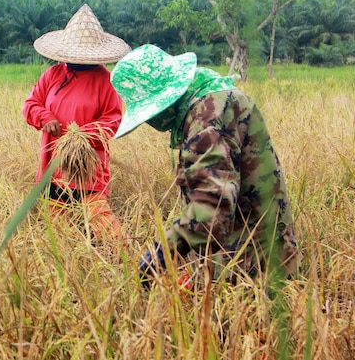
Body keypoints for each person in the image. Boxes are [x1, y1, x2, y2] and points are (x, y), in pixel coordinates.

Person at [109, 44, 300, 286]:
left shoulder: (204, 121)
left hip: (254, 266)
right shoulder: (217, 97)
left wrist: (162, 255)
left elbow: (212, 204)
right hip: (264, 245)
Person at [22, 4, 131, 240]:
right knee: (60, 237)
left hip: (88, 172)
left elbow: (113, 120)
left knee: (107, 230)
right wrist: (45, 118)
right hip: (54, 170)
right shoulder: (52, 75)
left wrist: (81, 136)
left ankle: (134, 264)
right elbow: (30, 105)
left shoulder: (105, 81)